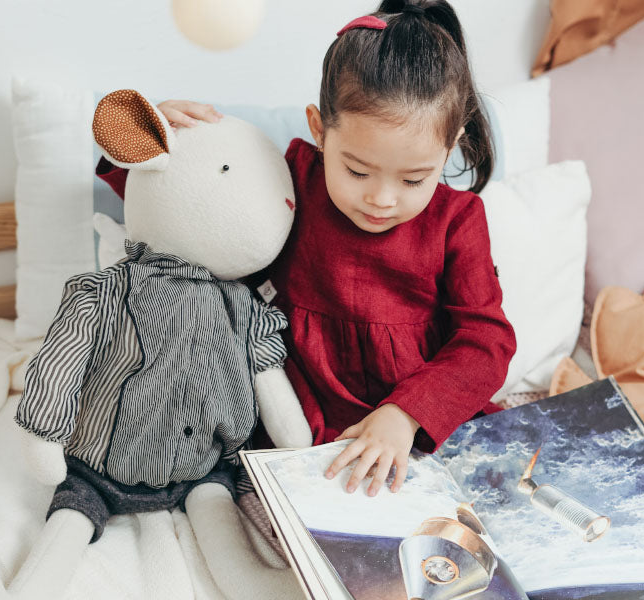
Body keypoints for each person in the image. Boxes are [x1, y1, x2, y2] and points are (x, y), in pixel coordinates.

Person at [98, 0, 515, 499]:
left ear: (450, 148)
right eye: (357, 171)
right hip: (299, 414)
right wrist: (160, 145)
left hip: (420, 423)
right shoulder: (295, 175)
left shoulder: (458, 220)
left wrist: (406, 414)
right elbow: (199, 216)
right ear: (319, 130)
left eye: (413, 179)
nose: (382, 199)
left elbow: (486, 341)